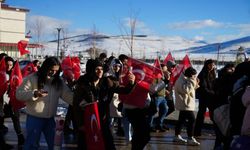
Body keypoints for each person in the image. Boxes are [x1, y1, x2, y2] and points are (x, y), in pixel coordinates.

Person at [73, 58, 135, 150]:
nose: (100, 71)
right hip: (87, 122)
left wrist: (131, 82)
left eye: (101, 69)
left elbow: (125, 90)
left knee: (109, 145)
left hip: (103, 121)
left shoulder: (107, 82)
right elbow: (76, 106)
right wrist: (80, 124)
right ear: (91, 70)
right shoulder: (82, 84)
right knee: (85, 146)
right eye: (97, 69)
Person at [16, 57, 73, 150]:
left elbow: (68, 95)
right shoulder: (32, 78)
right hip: (34, 119)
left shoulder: (58, 81)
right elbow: (19, 94)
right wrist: (34, 93)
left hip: (50, 120)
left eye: (56, 71)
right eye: (51, 70)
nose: (53, 73)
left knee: (55, 145)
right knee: (32, 145)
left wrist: (82, 103)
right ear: (45, 67)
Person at [0, 56, 25, 147]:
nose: (9, 67)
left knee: (16, 118)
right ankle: (2, 143)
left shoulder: (14, 74)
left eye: (11, 65)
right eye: (7, 65)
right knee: (1, 120)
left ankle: (20, 138)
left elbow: (19, 84)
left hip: (12, 100)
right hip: (2, 102)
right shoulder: (1, 74)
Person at [173, 67, 200, 146]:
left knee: (181, 120)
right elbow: (186, 90)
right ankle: (190, 138)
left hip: (186, 103)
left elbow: (189, 89)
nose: (195, 77)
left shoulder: (185, 79)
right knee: (192, 120)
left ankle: (177, 136)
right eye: (194, 76)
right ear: (190, 75)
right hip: (185, 104)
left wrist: (195, 84)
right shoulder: (181, 80)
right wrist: (192, 81)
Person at [194, 59, 216, 136]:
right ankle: (197, 131)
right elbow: (203, 87)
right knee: (201, 114)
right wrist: (213, 93)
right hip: (204, 97)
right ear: (207, 65)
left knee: (214, 114)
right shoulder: (203, 74)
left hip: (211, 97)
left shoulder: (213, 73)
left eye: (213, 65)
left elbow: (214, 84)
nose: (212, 66)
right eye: (210, 65)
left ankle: (218, 130)